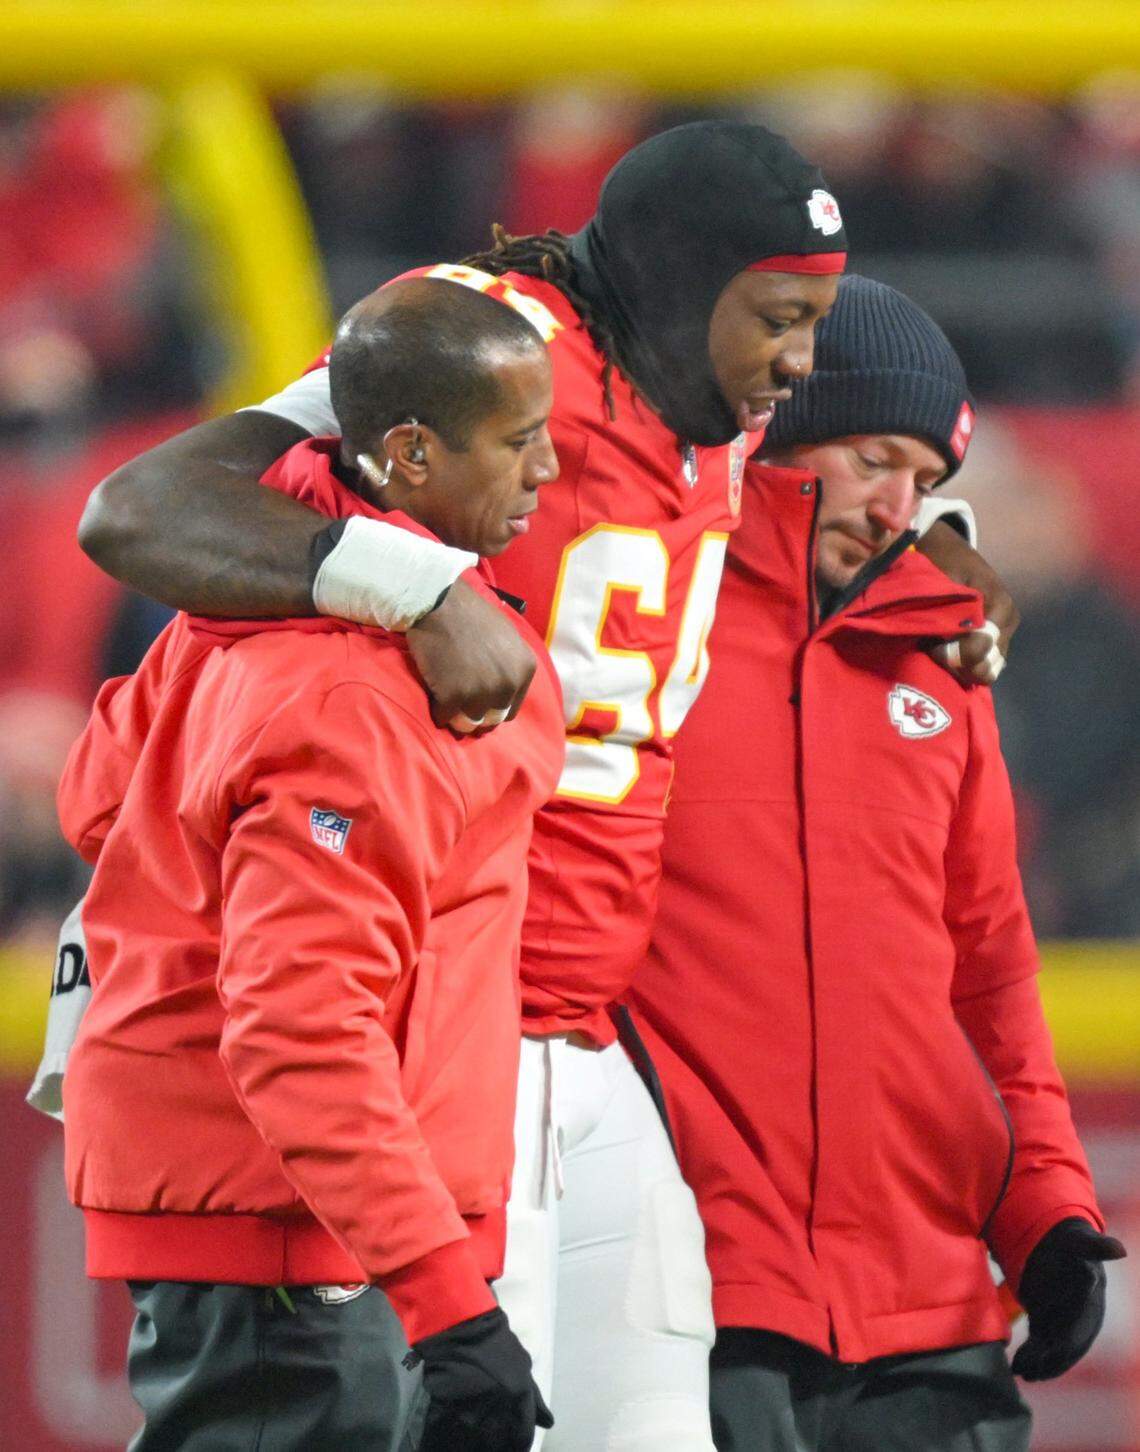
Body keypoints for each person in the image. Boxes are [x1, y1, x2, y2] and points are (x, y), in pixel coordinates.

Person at [72, 122, 1014, 1447]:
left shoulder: (711, 403)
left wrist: (929, 559)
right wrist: (417, 587)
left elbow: (802, 494)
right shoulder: (497, 359)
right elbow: (146, 508)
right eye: (780, 320)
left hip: (583, 1027)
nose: (801, 363)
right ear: (682, 287)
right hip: (428, 1018)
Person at [55, 277, 566, 1452]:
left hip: (287, 1219)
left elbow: (100, 803)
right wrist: (448, 1304)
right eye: (518, 441)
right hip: (296, 1231)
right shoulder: (355, 689)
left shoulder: (231, 609)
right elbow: (300, 1028)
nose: (544, 472)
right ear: (410, 453)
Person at [626, 275, 1125, 1452]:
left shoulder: (943, 672)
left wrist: (1046, 1203)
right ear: (777, 430)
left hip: (933, 1301)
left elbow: (992, 972)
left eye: (930, 481)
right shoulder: (637, 634)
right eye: (873, 457)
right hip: (695, 1295)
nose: (900, 505)